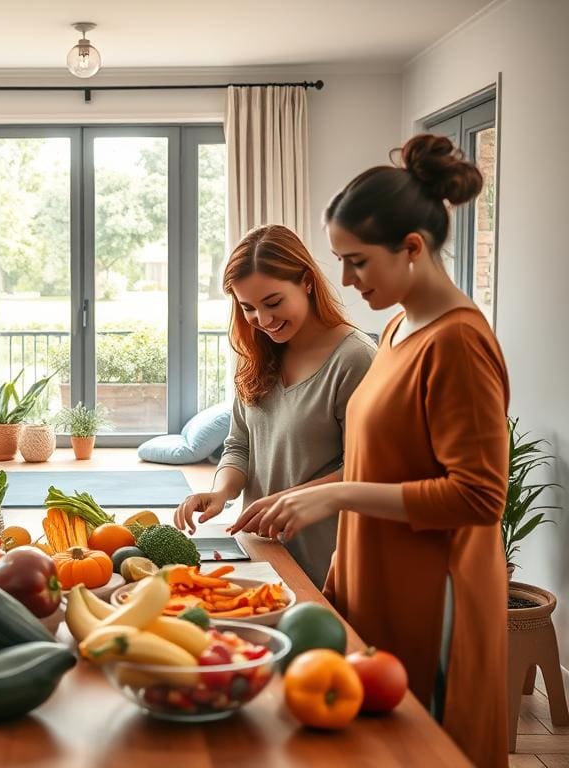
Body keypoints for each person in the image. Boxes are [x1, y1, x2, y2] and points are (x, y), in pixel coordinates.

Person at [237, 135, 509, 767]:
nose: (344, 280)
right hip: (371, 576)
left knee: (416, 750)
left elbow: (478, 495)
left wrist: (330, 493)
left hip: (429, 593)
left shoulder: (459, 343)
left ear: (411, 248)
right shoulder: (396, 326)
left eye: (356, 261)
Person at [174, 224, 376, 585]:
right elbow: (239, 446)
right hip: (261, 552)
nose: (263, 321)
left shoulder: (355, 358)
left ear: (306, 282)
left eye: (273, 302)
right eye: (248, 307)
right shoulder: (255, 352)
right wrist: (219, 493)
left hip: (326, 562)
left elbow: (370, 467)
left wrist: (290, 500)